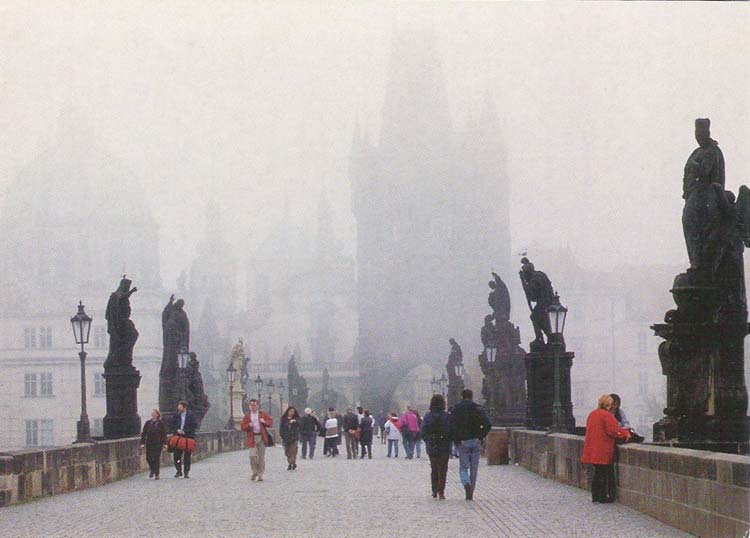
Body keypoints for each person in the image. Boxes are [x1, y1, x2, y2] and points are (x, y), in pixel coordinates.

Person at [582, 394, 631, 503]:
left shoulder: (593, 414)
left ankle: (595, 496)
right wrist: (625, 434)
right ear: (608, 405)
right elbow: (613, 431)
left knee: (597, 473)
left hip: (593, 448)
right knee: (603, 474)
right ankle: (603, 497)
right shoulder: (606, 415)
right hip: (603, 449)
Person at [450, 389, 491, 500]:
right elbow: (488, 424)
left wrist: (457, 439)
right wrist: (480, 436)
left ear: (462, 396)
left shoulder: (456, 409)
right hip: (475, 441)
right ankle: (471, 491)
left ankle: (466, 483)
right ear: (472, 396)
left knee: (463, 467)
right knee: (474, 468)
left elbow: (451, 426)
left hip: (463, 442)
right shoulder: (477, 408)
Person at [422, 394, 452, 499]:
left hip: (432, 444)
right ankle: (441, 491)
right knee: (443, 469)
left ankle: (434, 489)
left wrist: (428, 440)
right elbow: (450, 430)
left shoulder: (428, 416)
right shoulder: (447, 416)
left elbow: (424, 431)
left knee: (434, 468)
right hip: (444, 444)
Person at [240, 398, 273, 481]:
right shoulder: (247, 416)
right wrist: (248, 425)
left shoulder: (263, 414)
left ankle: (260, 474)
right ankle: (255, 471)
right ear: (249, 406)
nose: (253, 407)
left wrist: (264, 422)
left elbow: (270, 422)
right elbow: (242, 427)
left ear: (257, 405)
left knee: (261, 457)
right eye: (251, 405)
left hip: (262, 437)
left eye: (254, 405)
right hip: (252, 437)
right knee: (252, 456)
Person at [170, 400, 197, 478]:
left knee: (187, 456)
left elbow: (194, 425)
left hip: (188, 437)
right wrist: (177, 430)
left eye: (180, 407)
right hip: (178, 437)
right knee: (177, 455)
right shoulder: (176, 415)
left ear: (184, 407)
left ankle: (186, 472)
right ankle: (179, 470)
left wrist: (185, 431)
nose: (179, 408)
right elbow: (172, 424)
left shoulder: (191, 415)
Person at [140, 409, 167, 480]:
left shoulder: (161, 423)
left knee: (156, 458)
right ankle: (152, 469)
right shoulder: (148, 423)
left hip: (158, 443)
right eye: (152, 413)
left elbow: (164, 434)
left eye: (154, 413)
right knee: (148, 458)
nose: (153, 414)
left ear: (157, 415)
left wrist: (165, 443)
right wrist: (142, 443)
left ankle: (157, 474)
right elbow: (144, 434)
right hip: (149, 443)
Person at [280, 406, 301, 471]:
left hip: (294, 437)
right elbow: (281, 428)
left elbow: (300, 424)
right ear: (288, 411)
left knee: (293, 451)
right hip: (286, 438)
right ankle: (290, 463)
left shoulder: (296, 418)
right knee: (287, 452)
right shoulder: (284, 419)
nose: (292, 413)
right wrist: (282, 435)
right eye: (290, 411)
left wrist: (295, 421)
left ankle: (292, 463)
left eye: (293, 412)